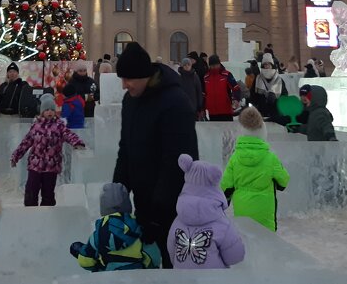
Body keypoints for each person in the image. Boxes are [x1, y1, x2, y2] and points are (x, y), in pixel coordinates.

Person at [112, 41, 199, 268]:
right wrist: (118, 190)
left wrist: (158, 212)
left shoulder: (175, 102)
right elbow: (126, 148)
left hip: (174, 208)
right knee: (146, 266)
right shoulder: (131, 100)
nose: (124, 85)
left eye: (128, 79)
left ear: (143, 76)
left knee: (175, 266)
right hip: (144, 203)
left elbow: (178, 161)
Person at [169, 153, 245, 269]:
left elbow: (172, 251)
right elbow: (235, 257)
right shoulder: (222, 224)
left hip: (182, 277)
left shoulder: (177, 221)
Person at [221, 107, 290, 231]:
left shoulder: (235, 158)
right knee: (267, 242)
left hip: (242, 209)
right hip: (265, 212)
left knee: (246, 241)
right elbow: (284, 181)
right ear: (263, 132)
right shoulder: (270, 158)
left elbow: (225, 186)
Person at [11, 93, 86, 206]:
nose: (49, 112)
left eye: (52, 109)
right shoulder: (36, 126)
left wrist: (77, 143)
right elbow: (25, 143)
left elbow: (69, 135)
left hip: (51, 167)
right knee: (31, 191)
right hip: (35, 166)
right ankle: (30, 213)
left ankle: (47, 215)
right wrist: (15, 156)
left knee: (48, 194)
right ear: (42, 112)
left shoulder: (59, 126)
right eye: (47, 110)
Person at [70, 183, 158, 271]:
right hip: (137, 277)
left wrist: (98, 268)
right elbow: (153, 257)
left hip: (110, 278)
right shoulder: (140, 230)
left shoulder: (97, 235)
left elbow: (86, 261)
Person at [250, 53, 288, 122]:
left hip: (275, 113)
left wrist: (276, 99)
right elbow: (253, 94)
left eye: (268, 64)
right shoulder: (258, 79)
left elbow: (284, 95)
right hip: (261, 113)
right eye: (265, 64)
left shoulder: (279, 80)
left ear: (272, 65)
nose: (267, 66)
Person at [203, 55, 240, 122]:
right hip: (212, 112)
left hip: (226, 111)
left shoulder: (227, 75)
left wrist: (236, 99)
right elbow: (204, 93)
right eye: (212, 65)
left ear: (219, 64)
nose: (214, 67)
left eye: (216, 65)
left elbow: (236, 88)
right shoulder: (206, 77)